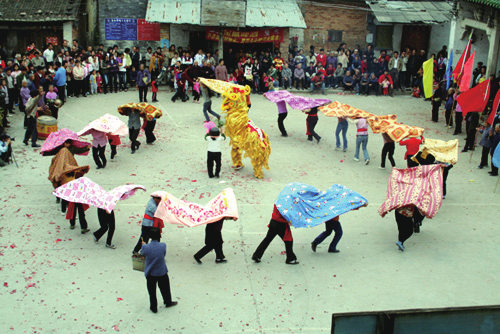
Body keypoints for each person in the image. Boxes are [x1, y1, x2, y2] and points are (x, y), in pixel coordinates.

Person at [140, 227, 178, 313]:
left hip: (151, 273)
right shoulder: (163, 245)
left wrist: (143, 245)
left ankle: (154, 307)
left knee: (152, 291)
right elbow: (163, 255)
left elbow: (142, 254)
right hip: (162, 271)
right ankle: (168, 301)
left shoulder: (146, 247)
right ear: (159, 236)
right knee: (165, 288)